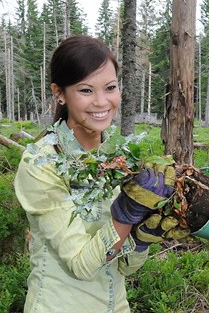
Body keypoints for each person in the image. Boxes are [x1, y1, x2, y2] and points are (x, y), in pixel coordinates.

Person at [14, 35, 173, 312]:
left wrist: (145, 233)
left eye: (110, 88)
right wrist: (126, 214)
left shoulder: (118, 158)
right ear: (60, 93)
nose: (102, 102)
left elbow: (124, 266)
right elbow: (81, 265)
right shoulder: (41, 163)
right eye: (86, 90)